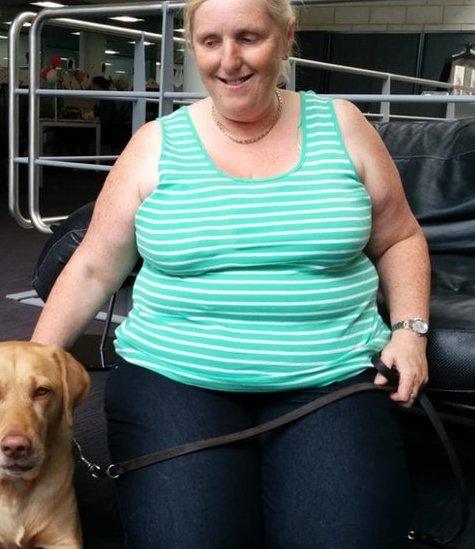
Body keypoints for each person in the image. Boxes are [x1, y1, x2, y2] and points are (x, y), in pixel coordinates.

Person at [31, 0, 430, 545]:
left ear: (287, 36)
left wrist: (410, 331)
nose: (229, 60)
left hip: (328, 377)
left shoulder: (343, 125)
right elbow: (94, 267)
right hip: (173, 377)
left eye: (249, 37)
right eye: (210, 41)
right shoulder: (155, 144)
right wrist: (29, 375)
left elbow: (400, 237)